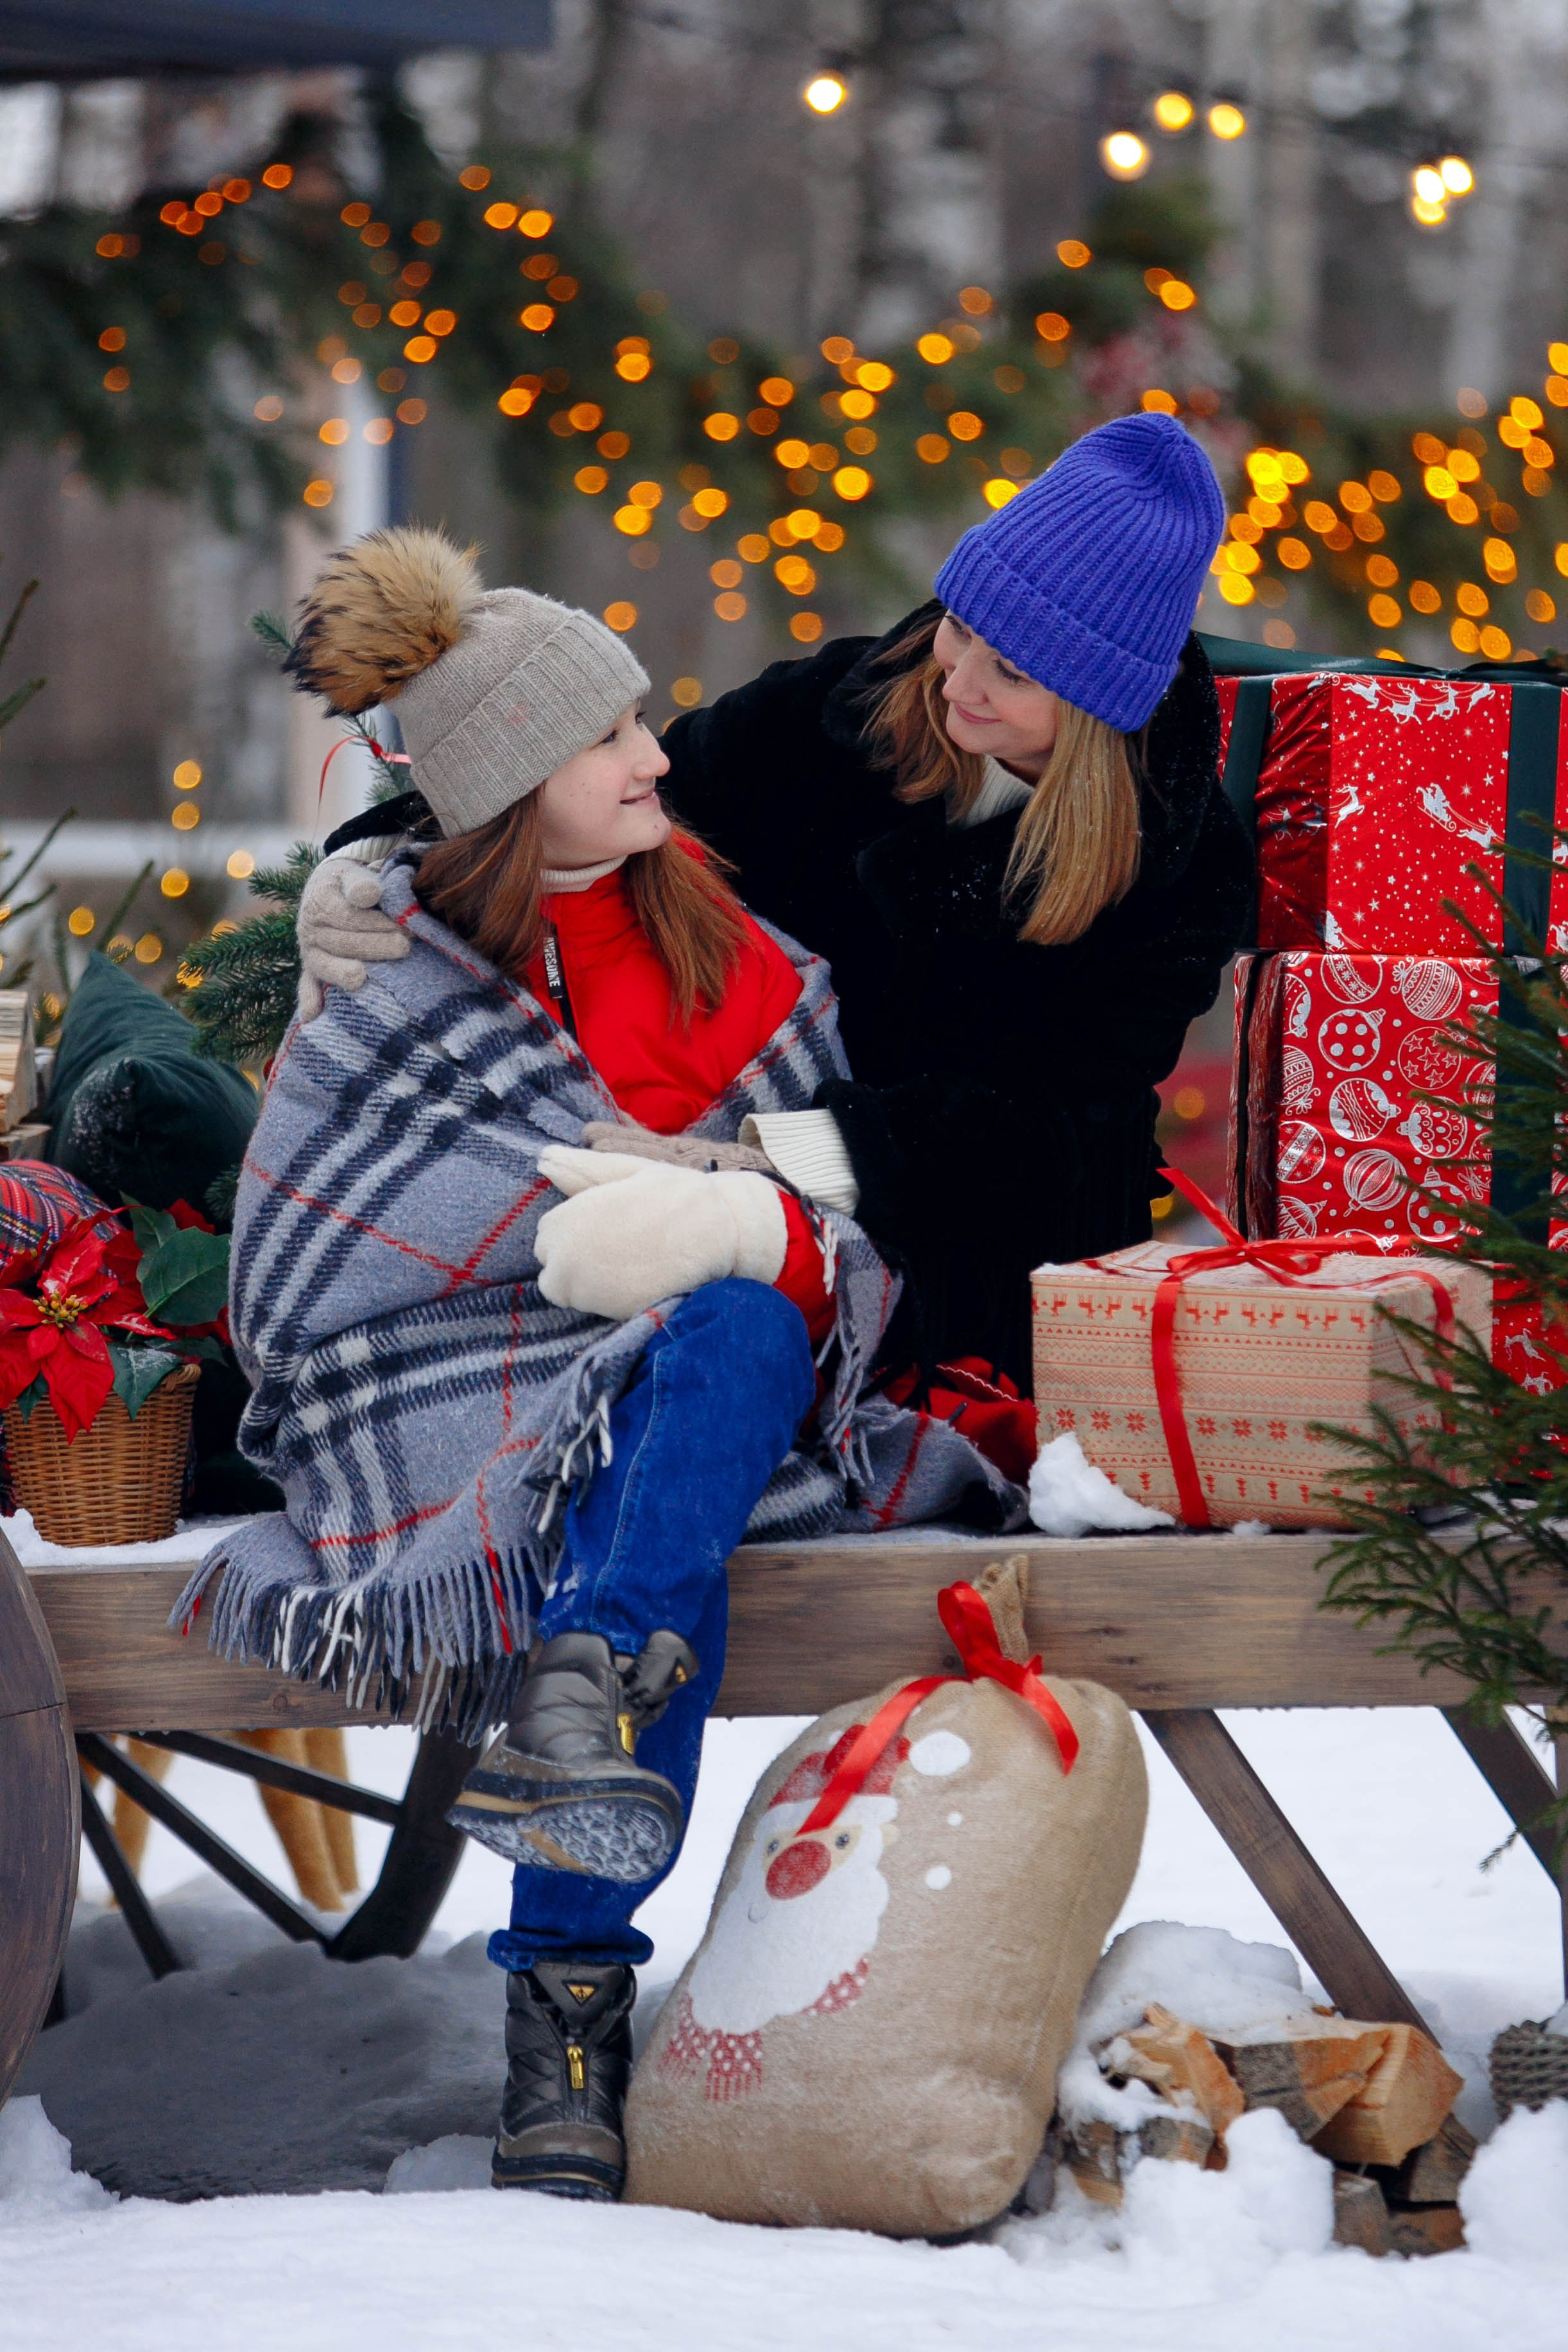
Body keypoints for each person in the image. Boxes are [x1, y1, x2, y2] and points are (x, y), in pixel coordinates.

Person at [180, 528, 1018, 2203]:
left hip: (703, 1395)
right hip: (453, 1393)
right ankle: (583, 1855)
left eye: (641, 723)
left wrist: (731, 1230)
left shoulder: (736, 952)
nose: (655, 757)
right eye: (606, 739)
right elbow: (307, 1263)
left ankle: (564, 1977)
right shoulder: (392, 972)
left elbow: (838, 1227)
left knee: (710, 1346)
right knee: (650, 1511)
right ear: (502, 788)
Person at [298, 412, 1254, 1392]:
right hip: (704, 1162)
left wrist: (765, 1169)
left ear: (1099, 699)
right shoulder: (848, 702)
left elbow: (1047, 1132)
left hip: (976, 1274)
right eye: (959, 626)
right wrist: (392, 862)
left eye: (1010, 671)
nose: (956, 677)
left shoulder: (1175, 865)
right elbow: (626, 799)